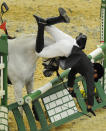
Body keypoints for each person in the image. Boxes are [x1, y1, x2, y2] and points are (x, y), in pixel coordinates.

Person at [33, 8, 104, 115]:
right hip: (66, 48)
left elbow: (71, 74)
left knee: (47, 25)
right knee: (40, 52)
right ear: (95, 72)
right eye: (96, 77)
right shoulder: (89, 71)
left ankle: (60, 18)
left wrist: (71, 89)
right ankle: (40, 26)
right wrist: (90, 106)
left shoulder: (85, 64)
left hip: (71, 41)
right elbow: (90, 89)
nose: (93, 79)